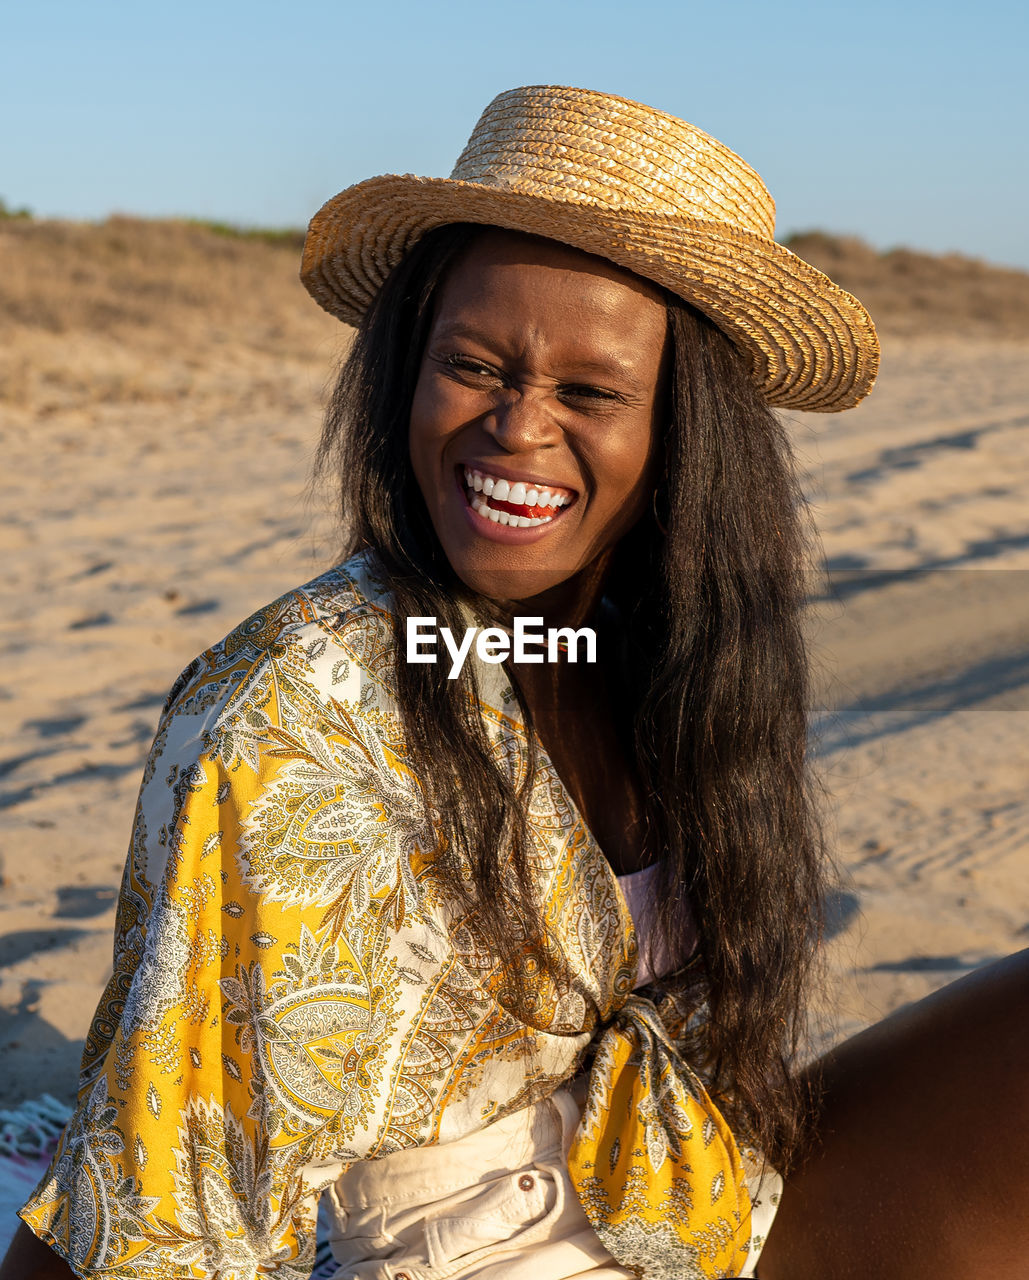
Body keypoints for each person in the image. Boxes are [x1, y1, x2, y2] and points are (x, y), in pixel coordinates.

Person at [3, 84, 1026, 1280]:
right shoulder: (291, 713)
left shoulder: (654, 655)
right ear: (406, 373)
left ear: (683, 436)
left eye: (590, 392)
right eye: (475, 365)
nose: (517, 429)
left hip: (688, 1191)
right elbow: (161, 1188)